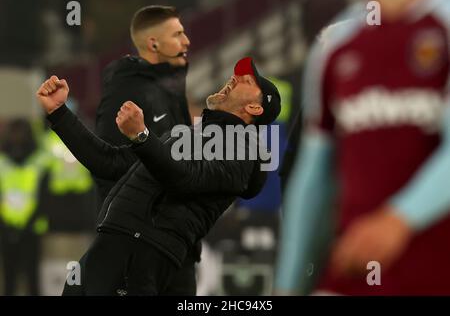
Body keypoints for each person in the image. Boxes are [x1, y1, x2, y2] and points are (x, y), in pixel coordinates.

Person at [36, 57, 281, 295]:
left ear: (254, 107)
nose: (234, 78)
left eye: (246, 81)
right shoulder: (187, 135)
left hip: (141, 250)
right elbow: (109, 163)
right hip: (114, 243)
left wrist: (142, 136)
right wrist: (59, 114)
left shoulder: (245, 149)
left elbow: (185, 180)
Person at [275, 0, 450, 295]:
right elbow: (313, 179)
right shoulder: (335, 42)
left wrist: (401, 218)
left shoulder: (443, 23)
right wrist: (287, 285)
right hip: (353, 271)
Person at [93, 5, 198, 294]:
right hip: (141, 248)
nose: (187, 41)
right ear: (153, 43)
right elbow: (107, 164)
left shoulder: (171, 85)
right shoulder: (126, 91)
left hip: (178, 244)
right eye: (177, 34)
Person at [0, 119, 49, 295]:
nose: (17, 138)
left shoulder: (39, 161)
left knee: (32, 280)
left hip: (32, 229)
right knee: (9, 281)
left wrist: (31, 222)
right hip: (6, 228)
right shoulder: (2, 162)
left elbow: (45, 197)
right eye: (14, 133)